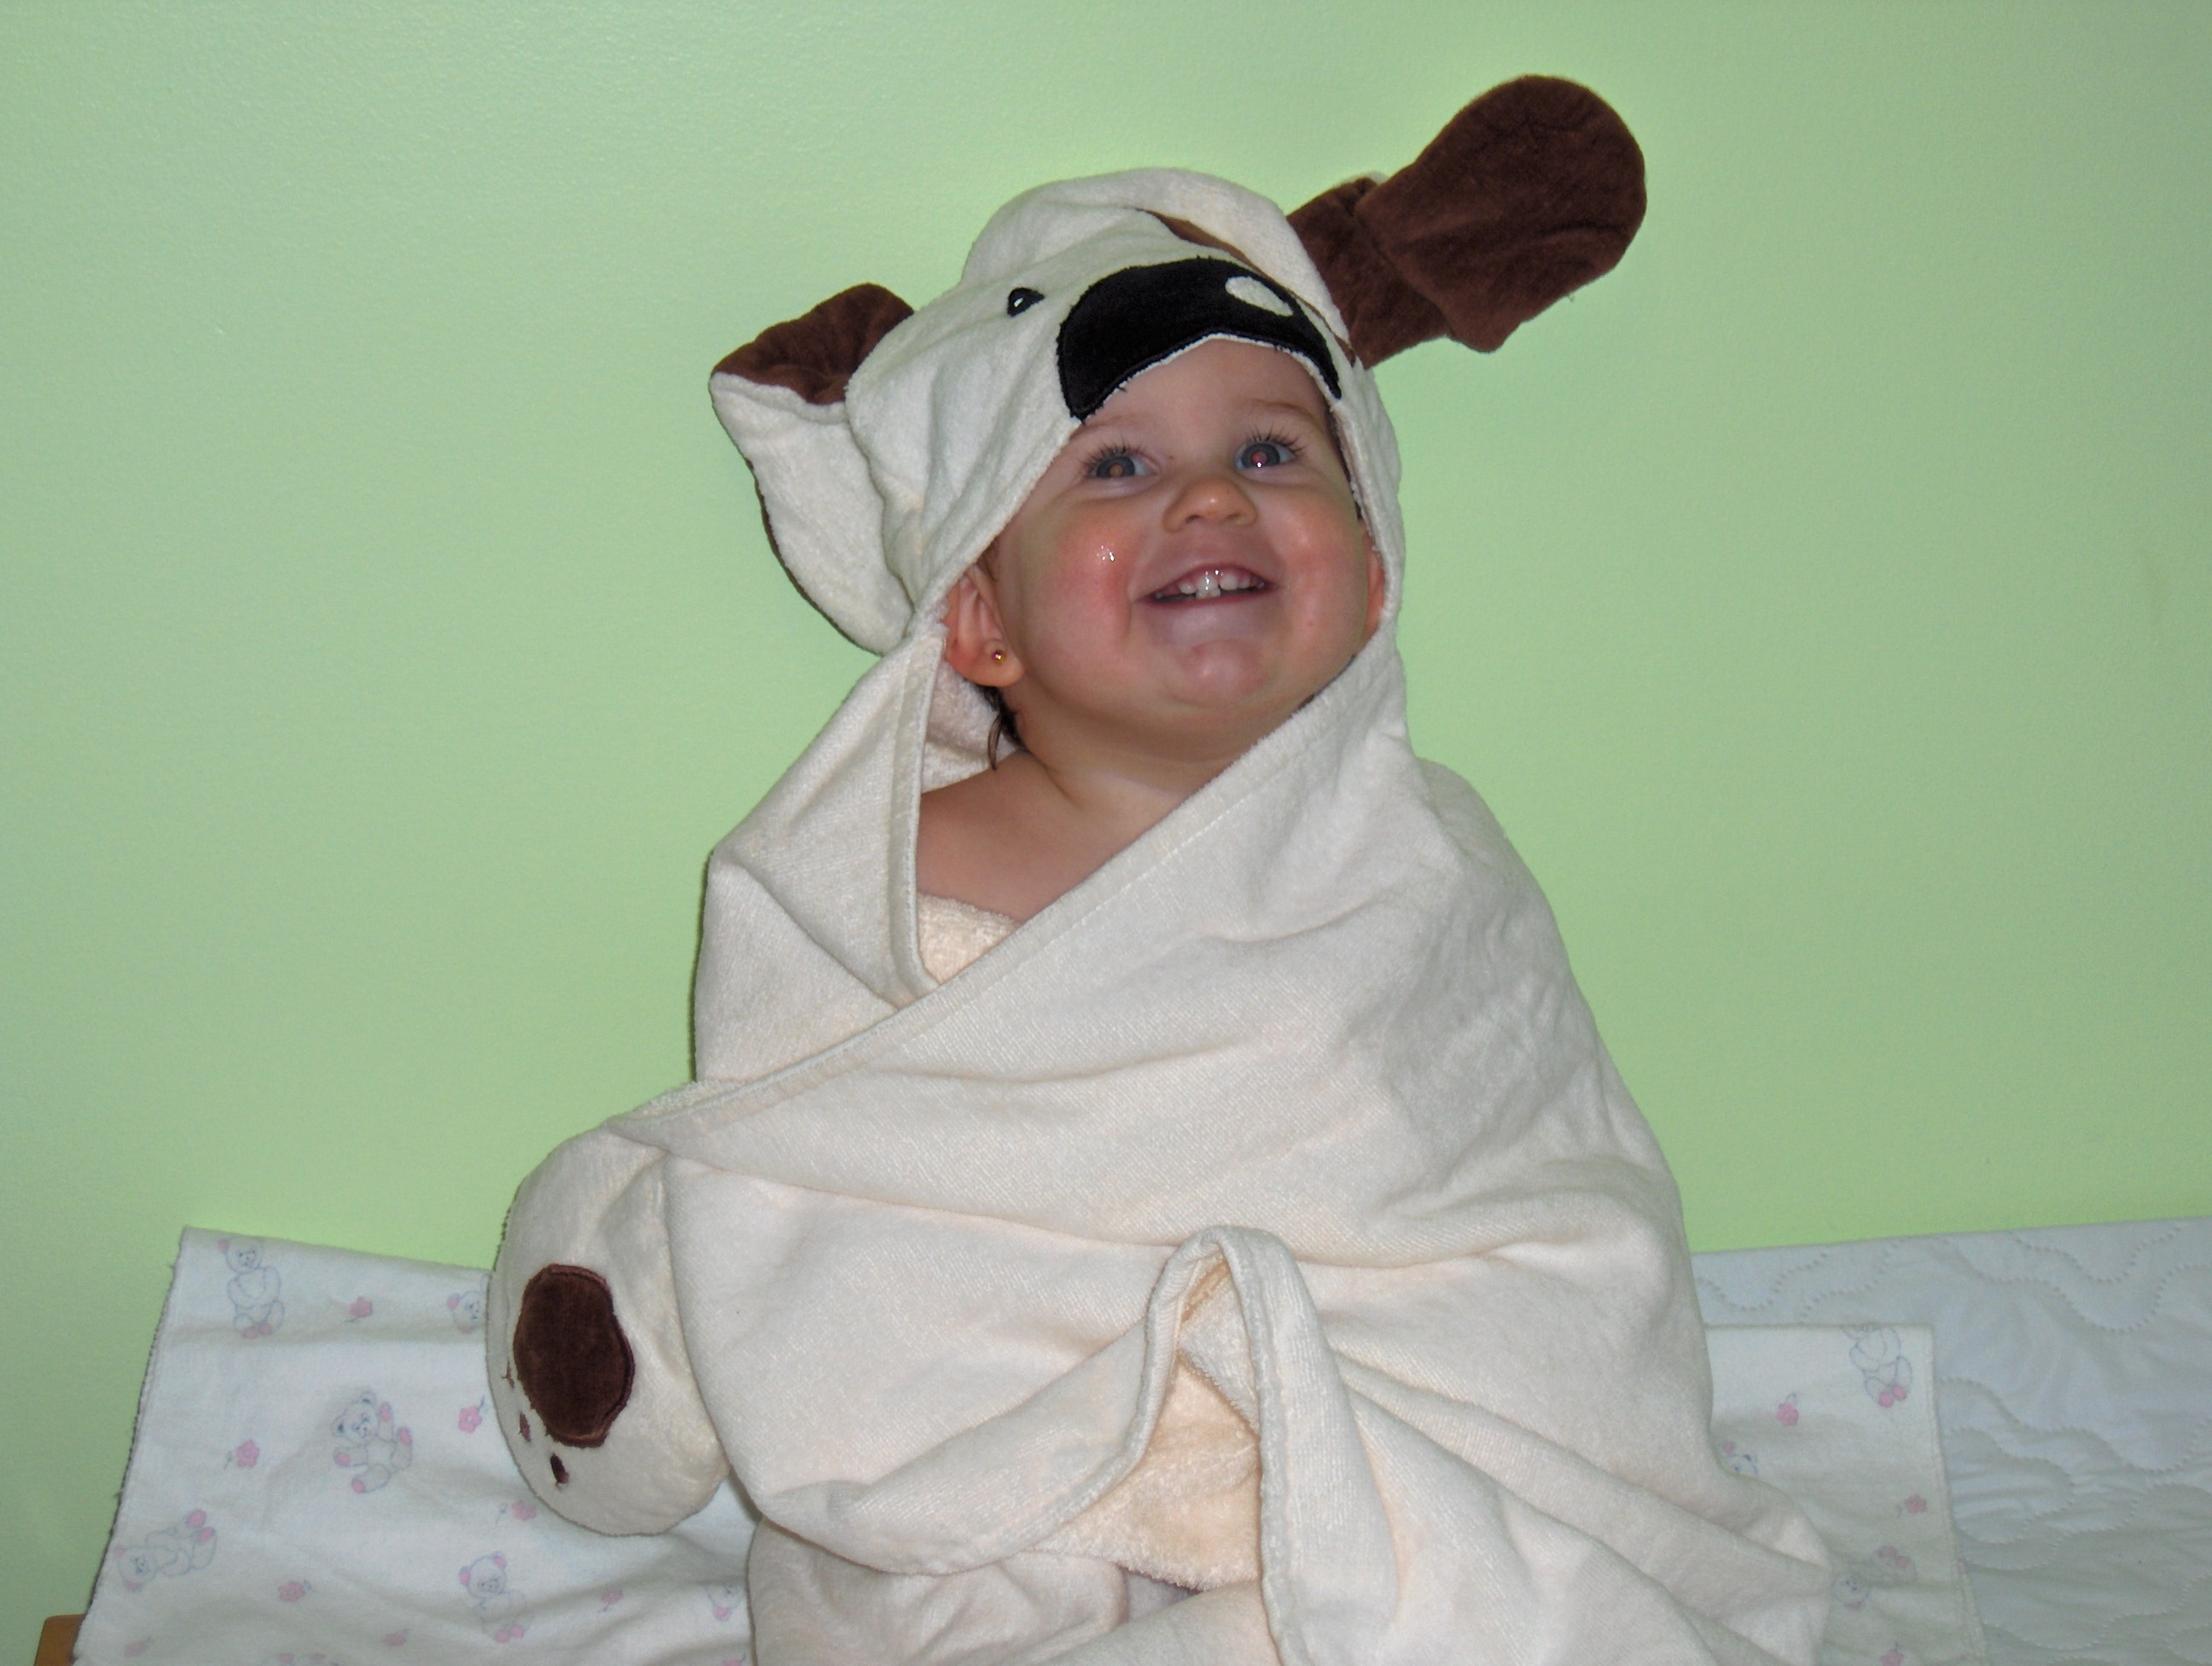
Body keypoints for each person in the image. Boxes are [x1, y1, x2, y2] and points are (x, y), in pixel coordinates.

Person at [486, 79, 1835, 1665]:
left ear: (1372, 570)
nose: (1210, 496)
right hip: (1009, 1443)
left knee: (1472, 1571)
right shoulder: (884, 880)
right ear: (980, 622)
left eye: (1272, 448)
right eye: (1115, 468)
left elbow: (1532, 1217)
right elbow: (801, 1182)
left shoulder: (1424, 866)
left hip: (1377, 1415)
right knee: (922, 1583)